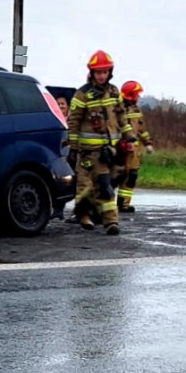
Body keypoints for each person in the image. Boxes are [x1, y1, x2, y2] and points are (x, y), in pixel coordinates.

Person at [66, 50, 135, 235]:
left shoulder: (114, 92)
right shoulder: (82, 95)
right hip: (89, 151)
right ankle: (96, 219)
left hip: (110, 151)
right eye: (98, 72)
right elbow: (73, 122)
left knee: (106, 185)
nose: (102, 75)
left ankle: (106, 221)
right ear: (92, 73)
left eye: (105, 72)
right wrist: (73, 148)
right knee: (91, 185)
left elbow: (121, 114)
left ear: (110, 72)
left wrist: (128, 134)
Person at [116, 80, 154, 213]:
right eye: (137, 94)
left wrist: (148, 143)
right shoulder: (118, 109)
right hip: (121, 150)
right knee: (116, 177)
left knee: (131, 176)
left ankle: (123, 204)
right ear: (131, 95)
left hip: (134, 153)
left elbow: (141, 130)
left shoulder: (136, 110)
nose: (139, 97)